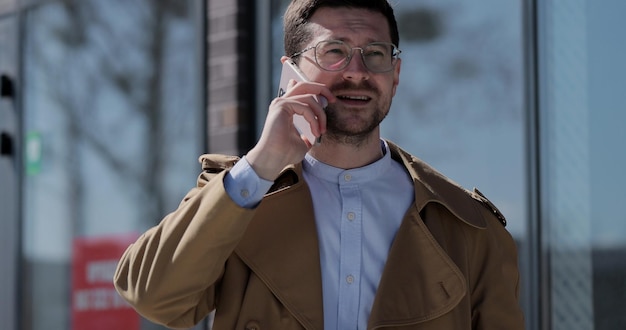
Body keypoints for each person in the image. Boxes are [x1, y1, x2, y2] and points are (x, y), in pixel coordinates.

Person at [114, 0, 525, 329]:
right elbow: (154, 298)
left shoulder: (468, 228)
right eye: (335, 52)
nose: (357, 72)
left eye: (375, 54)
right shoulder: (240, 198)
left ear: (395, 75)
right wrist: (262, 163)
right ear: (292, 72)